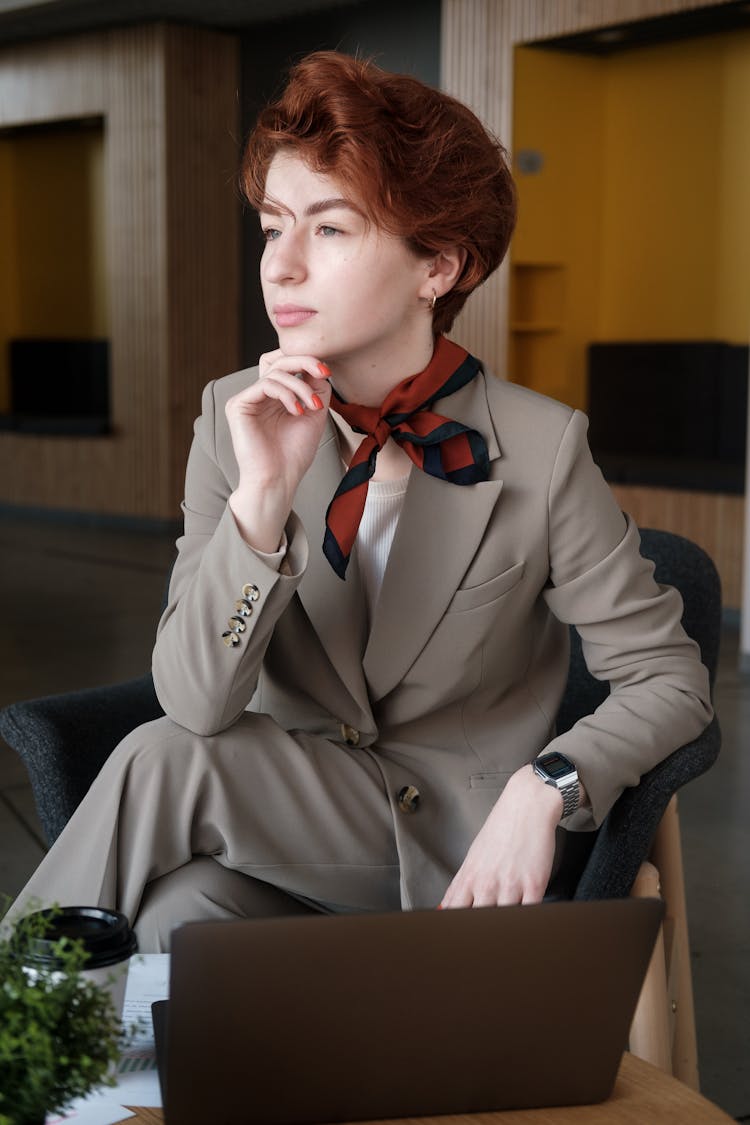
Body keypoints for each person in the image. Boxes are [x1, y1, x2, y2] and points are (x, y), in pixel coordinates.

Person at [11, 51, 712, 949]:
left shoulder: (541, 447)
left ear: (439, 266)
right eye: (272, 228)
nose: (284, 267)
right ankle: (79, 1077)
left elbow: (669, 676)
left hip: (448, 851)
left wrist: (549, 787)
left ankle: (15, 1044)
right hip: (286, 824)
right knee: (178, 916)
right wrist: (262, 498)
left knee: (157, 761)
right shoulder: (233, 419)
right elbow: (193, 700)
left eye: (331, 229)